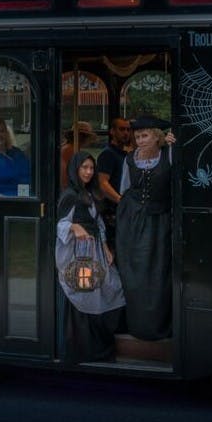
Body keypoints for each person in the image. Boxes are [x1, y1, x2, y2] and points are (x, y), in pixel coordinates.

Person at [56, 151, 125, 363]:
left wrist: (105, 247)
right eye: (84, 168)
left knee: (111, 287)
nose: (88, 172)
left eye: (91, 168)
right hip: (80, 255)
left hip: (95, 251)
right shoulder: (70, 196)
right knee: (85, 294)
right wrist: (75, 227)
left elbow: (98, 223)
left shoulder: (90, 193)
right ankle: (86, 348)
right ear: (75, 170)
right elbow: (60, 224)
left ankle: (101, 343)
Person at [115, 114, 176, 341]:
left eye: (145, 135)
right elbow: (125, 190)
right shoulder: (130, 159)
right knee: (134, 272)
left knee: (158, 271)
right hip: (132, 222)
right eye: (138, 136)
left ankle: (158, 325)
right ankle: (133, 323)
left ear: (157, 136)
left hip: (160, 222)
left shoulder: (169, 155)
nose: (140, 140)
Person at [94, 117, 133, 248]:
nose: (126, 133)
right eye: (122, 129)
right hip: (112, 210)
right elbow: (103, 183)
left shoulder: (124, 154)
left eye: (128, 129)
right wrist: (120, 200)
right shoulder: (108, 154)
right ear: (112, 131)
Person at [59, 121, 98, 189]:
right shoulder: (70, 149)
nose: (86, 139)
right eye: (85, 136)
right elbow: (66, 174)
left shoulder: (72, 148)